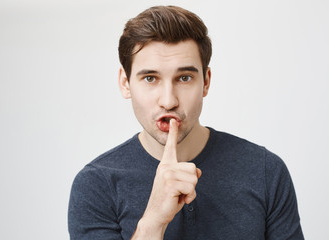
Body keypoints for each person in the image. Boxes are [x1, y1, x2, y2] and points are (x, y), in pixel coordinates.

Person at [68, 5, 304, 240]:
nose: (169, 101)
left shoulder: (265, 170)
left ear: (206, 82)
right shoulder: (96, 185)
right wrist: (153, 221)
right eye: (150, 78)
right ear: (125, 83)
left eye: (184, 78)